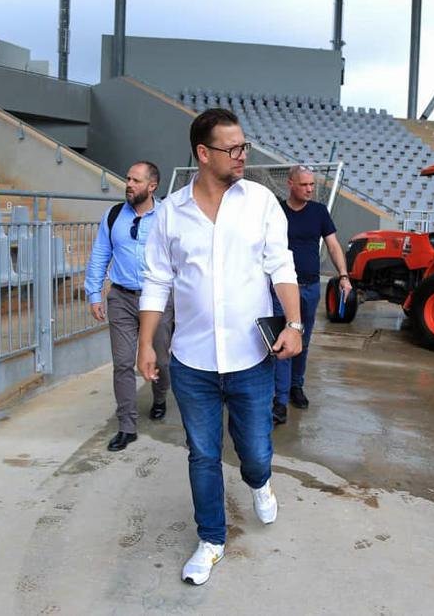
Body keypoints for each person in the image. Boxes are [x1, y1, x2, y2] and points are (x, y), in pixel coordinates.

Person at [136, 108, 303, 586]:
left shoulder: (261, 203)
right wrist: (147, 343)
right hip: (192, 363)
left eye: (244, 146)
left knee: (254, 452)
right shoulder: (171, 213)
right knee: (203, 454)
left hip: (252, 358)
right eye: (233, 149)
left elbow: (282, 266)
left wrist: (293, 323)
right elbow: (157, 282)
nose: (242, 156)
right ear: (203, 154)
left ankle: (260, 482)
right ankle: (211, 540)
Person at [84, 161, 174, 453]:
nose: (129, 184)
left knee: (160, 358)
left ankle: (160, 396)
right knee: (123, 362)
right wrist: (94, 293)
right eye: (127, 179)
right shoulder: (113, 216)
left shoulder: (167, 216)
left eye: (136, 180)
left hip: (157, 298)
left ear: (152, 186)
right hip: (121, 297)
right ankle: (127, 426)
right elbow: (100, 254)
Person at [270, 165, 352, 425]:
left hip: (309, 287)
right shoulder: (276, 212)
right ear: (291, 184)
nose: (309, 189)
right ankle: (280, 400)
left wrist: (343, 276)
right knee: (284, 341)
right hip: (281, 288)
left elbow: (333, 244)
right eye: (304, 184)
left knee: (302, 342)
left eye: (312, 185)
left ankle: (296, 386)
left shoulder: (319, 212)